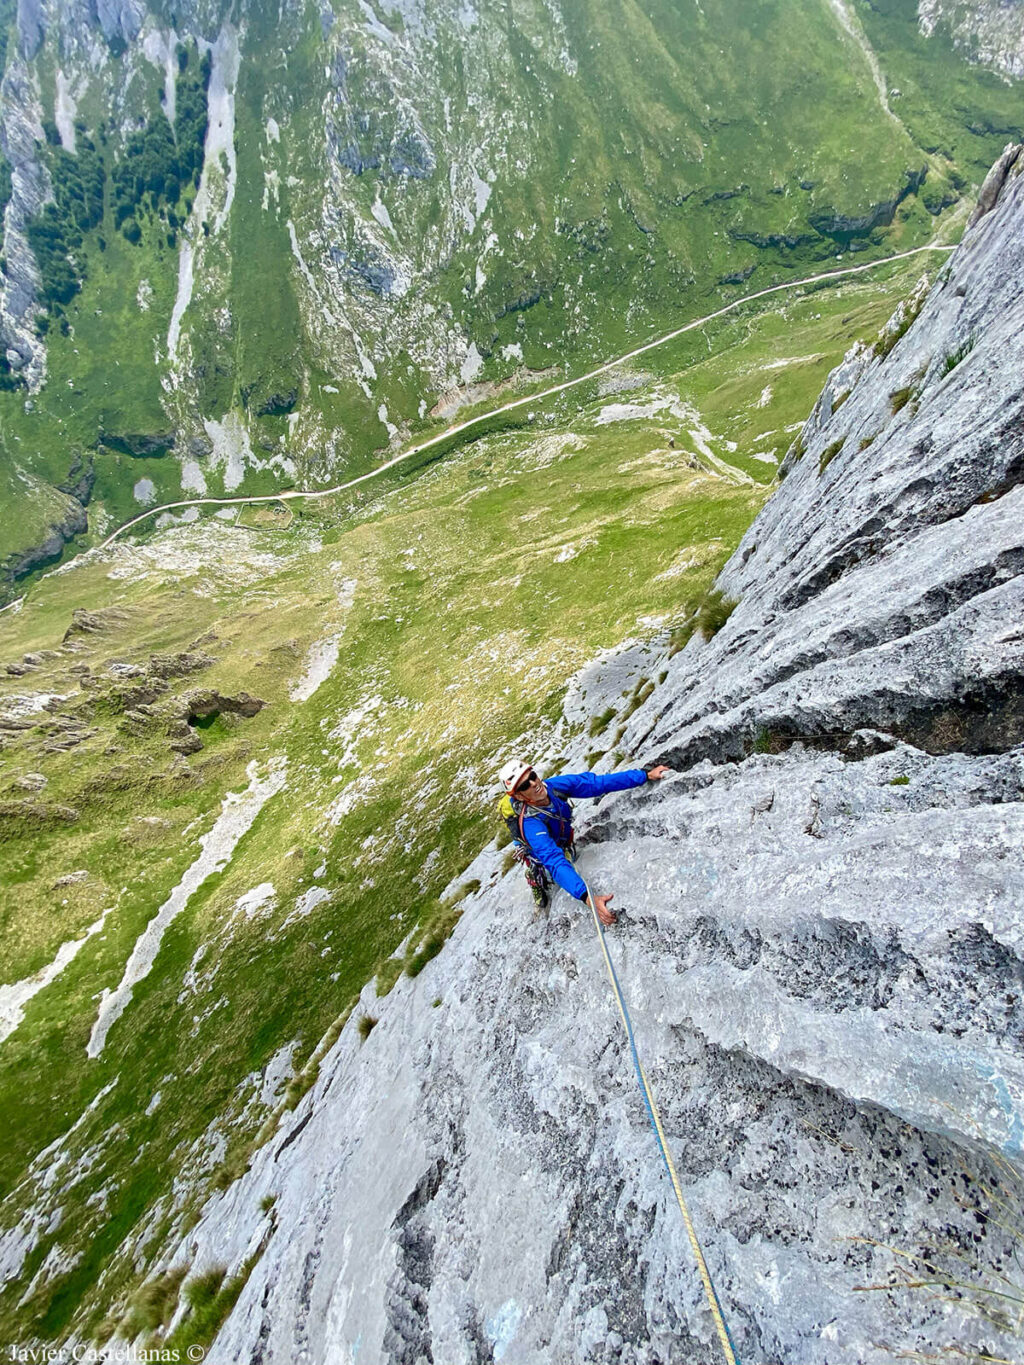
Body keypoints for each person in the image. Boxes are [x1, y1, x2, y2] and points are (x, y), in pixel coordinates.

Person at [498, 760, 671, 925]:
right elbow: (554, 861)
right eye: (524, 785)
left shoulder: (554, 786)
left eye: (532, 776)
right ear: (519, 796)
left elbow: (597, 784)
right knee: (544, 866)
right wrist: (587, 897)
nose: (533, 784)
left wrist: (644, 775)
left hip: (561, 835)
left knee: (562, 852)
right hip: (538, 848)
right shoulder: (531, 824)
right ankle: (534, 879)